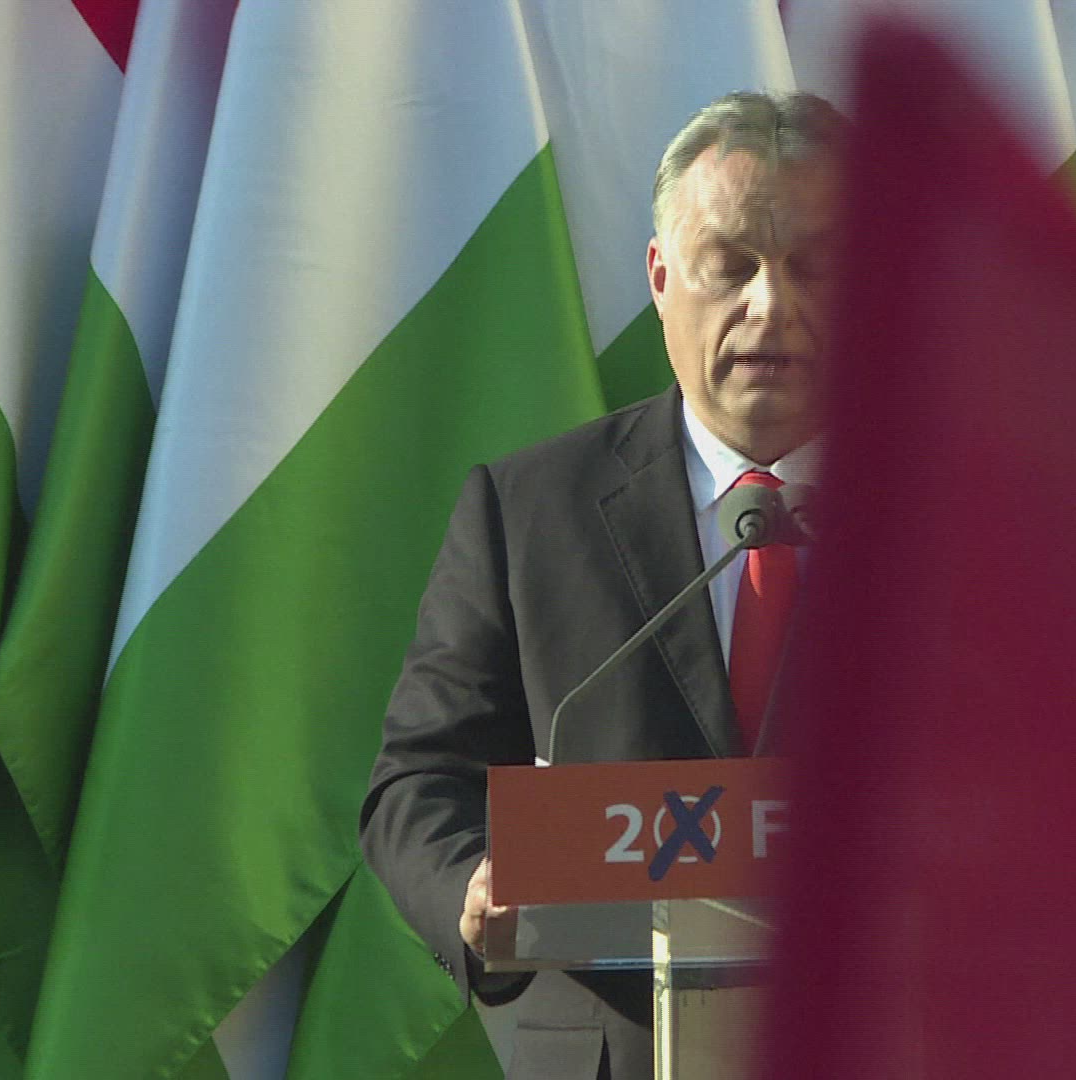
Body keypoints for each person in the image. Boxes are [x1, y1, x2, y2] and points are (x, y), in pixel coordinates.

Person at [360, 90, 843, 1080]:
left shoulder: (975, 522)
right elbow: (418, 780)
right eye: (731, 265)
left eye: (814, 266)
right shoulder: (529, 509)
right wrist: (472, 886)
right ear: (662, 278)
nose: (771, 305)